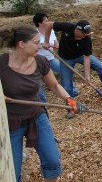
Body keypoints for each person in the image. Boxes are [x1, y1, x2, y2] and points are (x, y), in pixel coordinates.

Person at [0, 25, 86, 182]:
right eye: (36, 42)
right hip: (12, 120)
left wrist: (69, 99)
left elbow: (54, 85)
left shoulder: (40, 61)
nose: (40, 46)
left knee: (53, 160)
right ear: (22, 44)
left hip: (36, 115)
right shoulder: (2, 63)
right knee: (12, 169)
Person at [42, 20, 102, 115]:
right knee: (67, 85)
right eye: (84, 33)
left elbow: (87, 58)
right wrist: (46, 41)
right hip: (66, 58)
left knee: (101, 67)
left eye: (87, 33)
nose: (86, 35)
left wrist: (87, 76)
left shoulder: (87, 39)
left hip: (81, 56)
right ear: (77, 29)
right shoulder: (67, 26)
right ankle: (71, 108)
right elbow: (48, 25)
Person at [33, 12, 79, 102]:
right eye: (46, 20)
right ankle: (43, 102)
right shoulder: (34, 34)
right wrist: (39, 44)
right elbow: (32, 46)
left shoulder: (50, 30)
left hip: (51, 58)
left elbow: (55, 41)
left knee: (65, 71)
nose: (48, 22)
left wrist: (57, 45)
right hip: (39, 62)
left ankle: (73, 91)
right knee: (39, 82)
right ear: (39, 23)